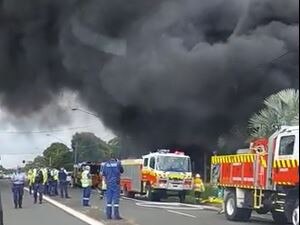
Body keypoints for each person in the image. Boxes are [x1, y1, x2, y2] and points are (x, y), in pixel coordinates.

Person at [102, 154, 124, 220]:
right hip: (116, 184)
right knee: (116, 201)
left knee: (109, 200)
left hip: (108, 183)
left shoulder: (106, 164)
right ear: (115, 158)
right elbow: (122, 171)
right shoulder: (118, 163)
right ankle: (116, 216)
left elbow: (103, 174)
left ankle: (108, 215)